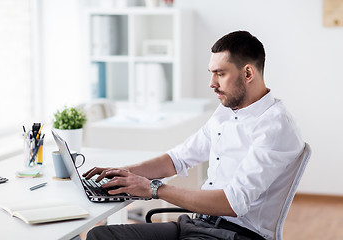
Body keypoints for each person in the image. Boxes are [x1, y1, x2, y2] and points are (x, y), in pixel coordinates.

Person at [83, 31, 304, 240]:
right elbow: (177, 159)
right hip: (199, 224)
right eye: (212, 73)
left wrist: (154, 189)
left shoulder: (275, 126)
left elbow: (233, 203)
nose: (212, 83)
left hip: (235, 234)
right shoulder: (226, 111)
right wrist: (125, 172)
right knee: (99, 236)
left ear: (248, 73)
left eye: (220, 73)